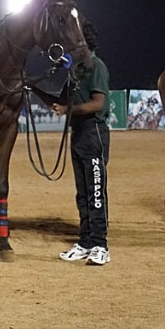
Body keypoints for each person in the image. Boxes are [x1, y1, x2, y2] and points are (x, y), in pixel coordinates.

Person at [52, 21, 112, 266]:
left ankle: (101, 244)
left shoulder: (96, 66)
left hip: (94, 133)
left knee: (96, 191)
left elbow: (98, 103)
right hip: (78, 133)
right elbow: (60, 102)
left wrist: (69, 109)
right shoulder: (75, 70)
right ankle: (85, 241)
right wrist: (31, 87)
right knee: (82, 192)